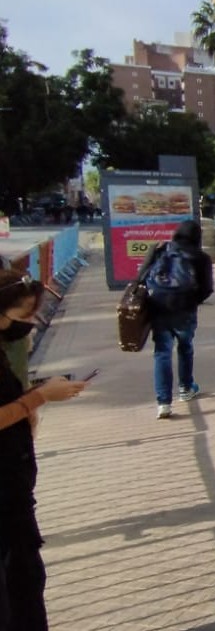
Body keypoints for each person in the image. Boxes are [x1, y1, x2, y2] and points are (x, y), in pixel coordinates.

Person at [0, 270, 86, 631]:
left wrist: (29, 406)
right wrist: (38, 398)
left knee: (27, 582)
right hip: (3, 498)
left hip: (13, 488)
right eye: (22, 315)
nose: (30, 324)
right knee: (19, 589)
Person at [139, 220, 214, 419]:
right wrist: (192, 301)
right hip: (185, 310)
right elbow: (207, 289)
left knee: (162, 352)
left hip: (159, 307)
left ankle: (163, 403)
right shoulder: (201, 257)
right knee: (185, 347)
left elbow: (141, 276)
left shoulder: (162, 250)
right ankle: (185, 388)